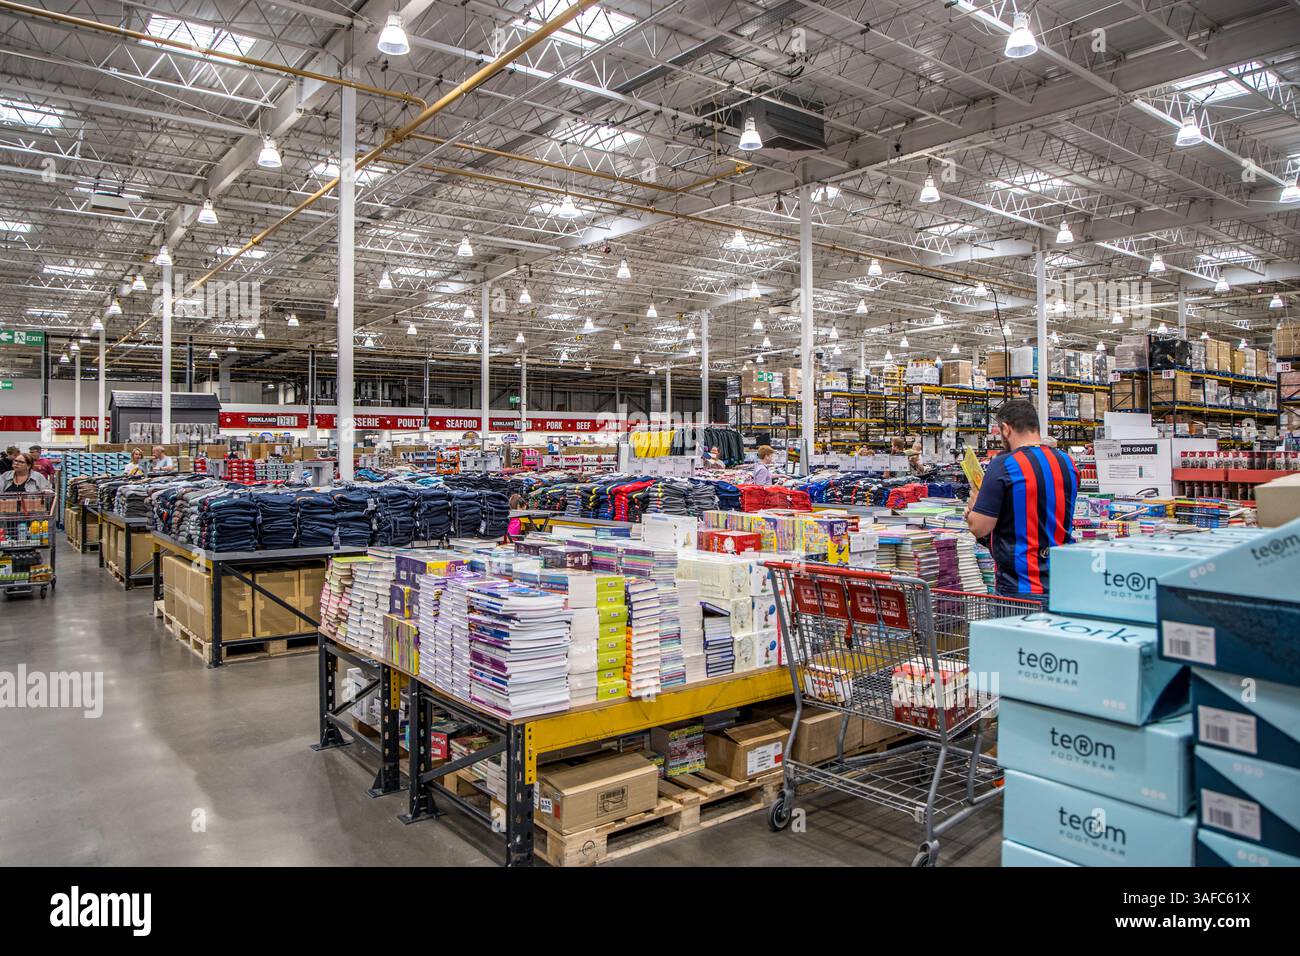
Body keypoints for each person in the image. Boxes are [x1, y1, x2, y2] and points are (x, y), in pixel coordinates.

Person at [965, 399, 1079, 601]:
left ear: (1006, 429)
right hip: (1062, 581)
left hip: (1020, 586)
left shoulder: (1004, 464)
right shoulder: (1066, 462)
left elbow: (980, 527)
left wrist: (974, 507)